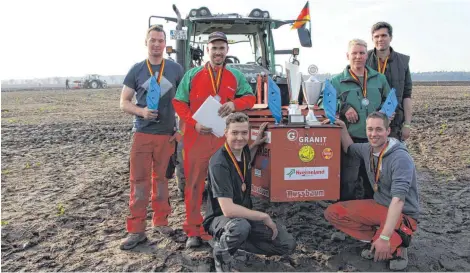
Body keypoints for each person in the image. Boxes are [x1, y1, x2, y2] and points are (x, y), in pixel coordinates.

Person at [172, 31, 256, 248]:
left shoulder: (235, 76)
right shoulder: (192, 74)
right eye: (214, 48)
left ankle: (220, 227)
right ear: (207, 50)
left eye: (222, 48)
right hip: (196, 139)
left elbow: (250, 98)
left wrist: (235, 104)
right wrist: (194, 123)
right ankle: (193, 229)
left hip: (223, 140)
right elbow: (179, 103)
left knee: (224, 186)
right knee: (194, 185)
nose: (218, 52)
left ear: (227, 51)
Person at [323, 112, 420, 271]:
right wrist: (342, 128)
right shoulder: (367, 148)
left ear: (388, 131)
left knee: (385, 249)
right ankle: (376, 238)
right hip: (379, 205)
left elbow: (398, 201)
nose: (373, 134)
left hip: (402, 213)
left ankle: (399, 246)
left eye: (378, 129)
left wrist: (384, 237)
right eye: (370, 129)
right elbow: (349, 148)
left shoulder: (400, 158)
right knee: (333, 212)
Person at [119, 25, 184, 250]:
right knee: (138, 183)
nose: (156, 44)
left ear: (166, 43)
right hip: (143, 134)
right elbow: (124, 102)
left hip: (166, 136)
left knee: (163, 181)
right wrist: (142, 111)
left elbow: (185, 103)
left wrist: (180, 131)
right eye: (152, 40)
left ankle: (162, 222)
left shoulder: (176, 69)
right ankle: (136, 230)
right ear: (145, 43)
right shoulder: (137, 70)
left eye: (160, 40)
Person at [204, 113, 296, 272]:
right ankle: (221, 253)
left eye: (244, 133)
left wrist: (257, 142)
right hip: (222, 218)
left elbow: (247, 155)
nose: (239, 137)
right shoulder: (219, 162)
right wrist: (263, 216)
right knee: (240, 227)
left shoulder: (245, 150)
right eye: (234, 133)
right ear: (226, 132)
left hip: (245, 216)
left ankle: (238, 247)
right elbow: (228, 209)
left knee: (286, 244)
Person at [330, 39, 391, 201]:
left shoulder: (379, 79)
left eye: (362, 53)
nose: (358, 56)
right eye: (354, 53)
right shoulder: (336, 81)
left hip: (375, 139)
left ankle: (372, 214)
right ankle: (346, 216)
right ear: (347, 55)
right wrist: (343, 107)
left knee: (374, 181)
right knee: (348, 182)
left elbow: (389, 99)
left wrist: (387, 113)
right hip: (350, 139)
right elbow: (324, 101)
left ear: (367, 55)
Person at [367, 22, 413, 141]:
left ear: (390, 38)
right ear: (372, 39)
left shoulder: (403, 62)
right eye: (376, 36)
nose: (380, 39)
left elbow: (407, 96)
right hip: (368, 125)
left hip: (394, 125)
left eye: (384, 35)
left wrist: (407, 124)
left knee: (393, 158)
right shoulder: (364, 59)